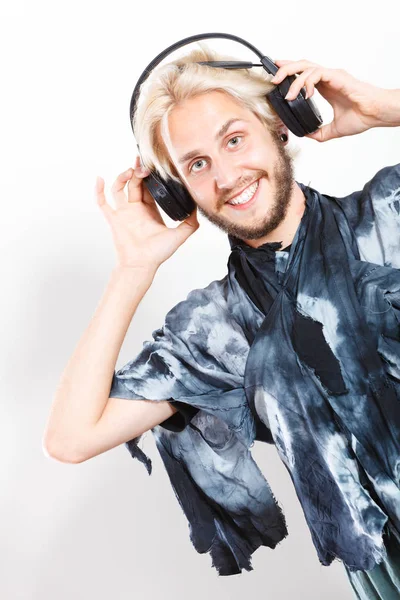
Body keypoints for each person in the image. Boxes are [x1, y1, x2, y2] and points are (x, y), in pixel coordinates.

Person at [43, 44, 400, 599]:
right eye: (196, 164)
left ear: (281, 129)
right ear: (177, 191)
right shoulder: (217, 329)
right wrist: (133, 270)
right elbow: (70, 437)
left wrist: (384, 108)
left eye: (234, 139)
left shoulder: (390, 215)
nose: (228, 175)